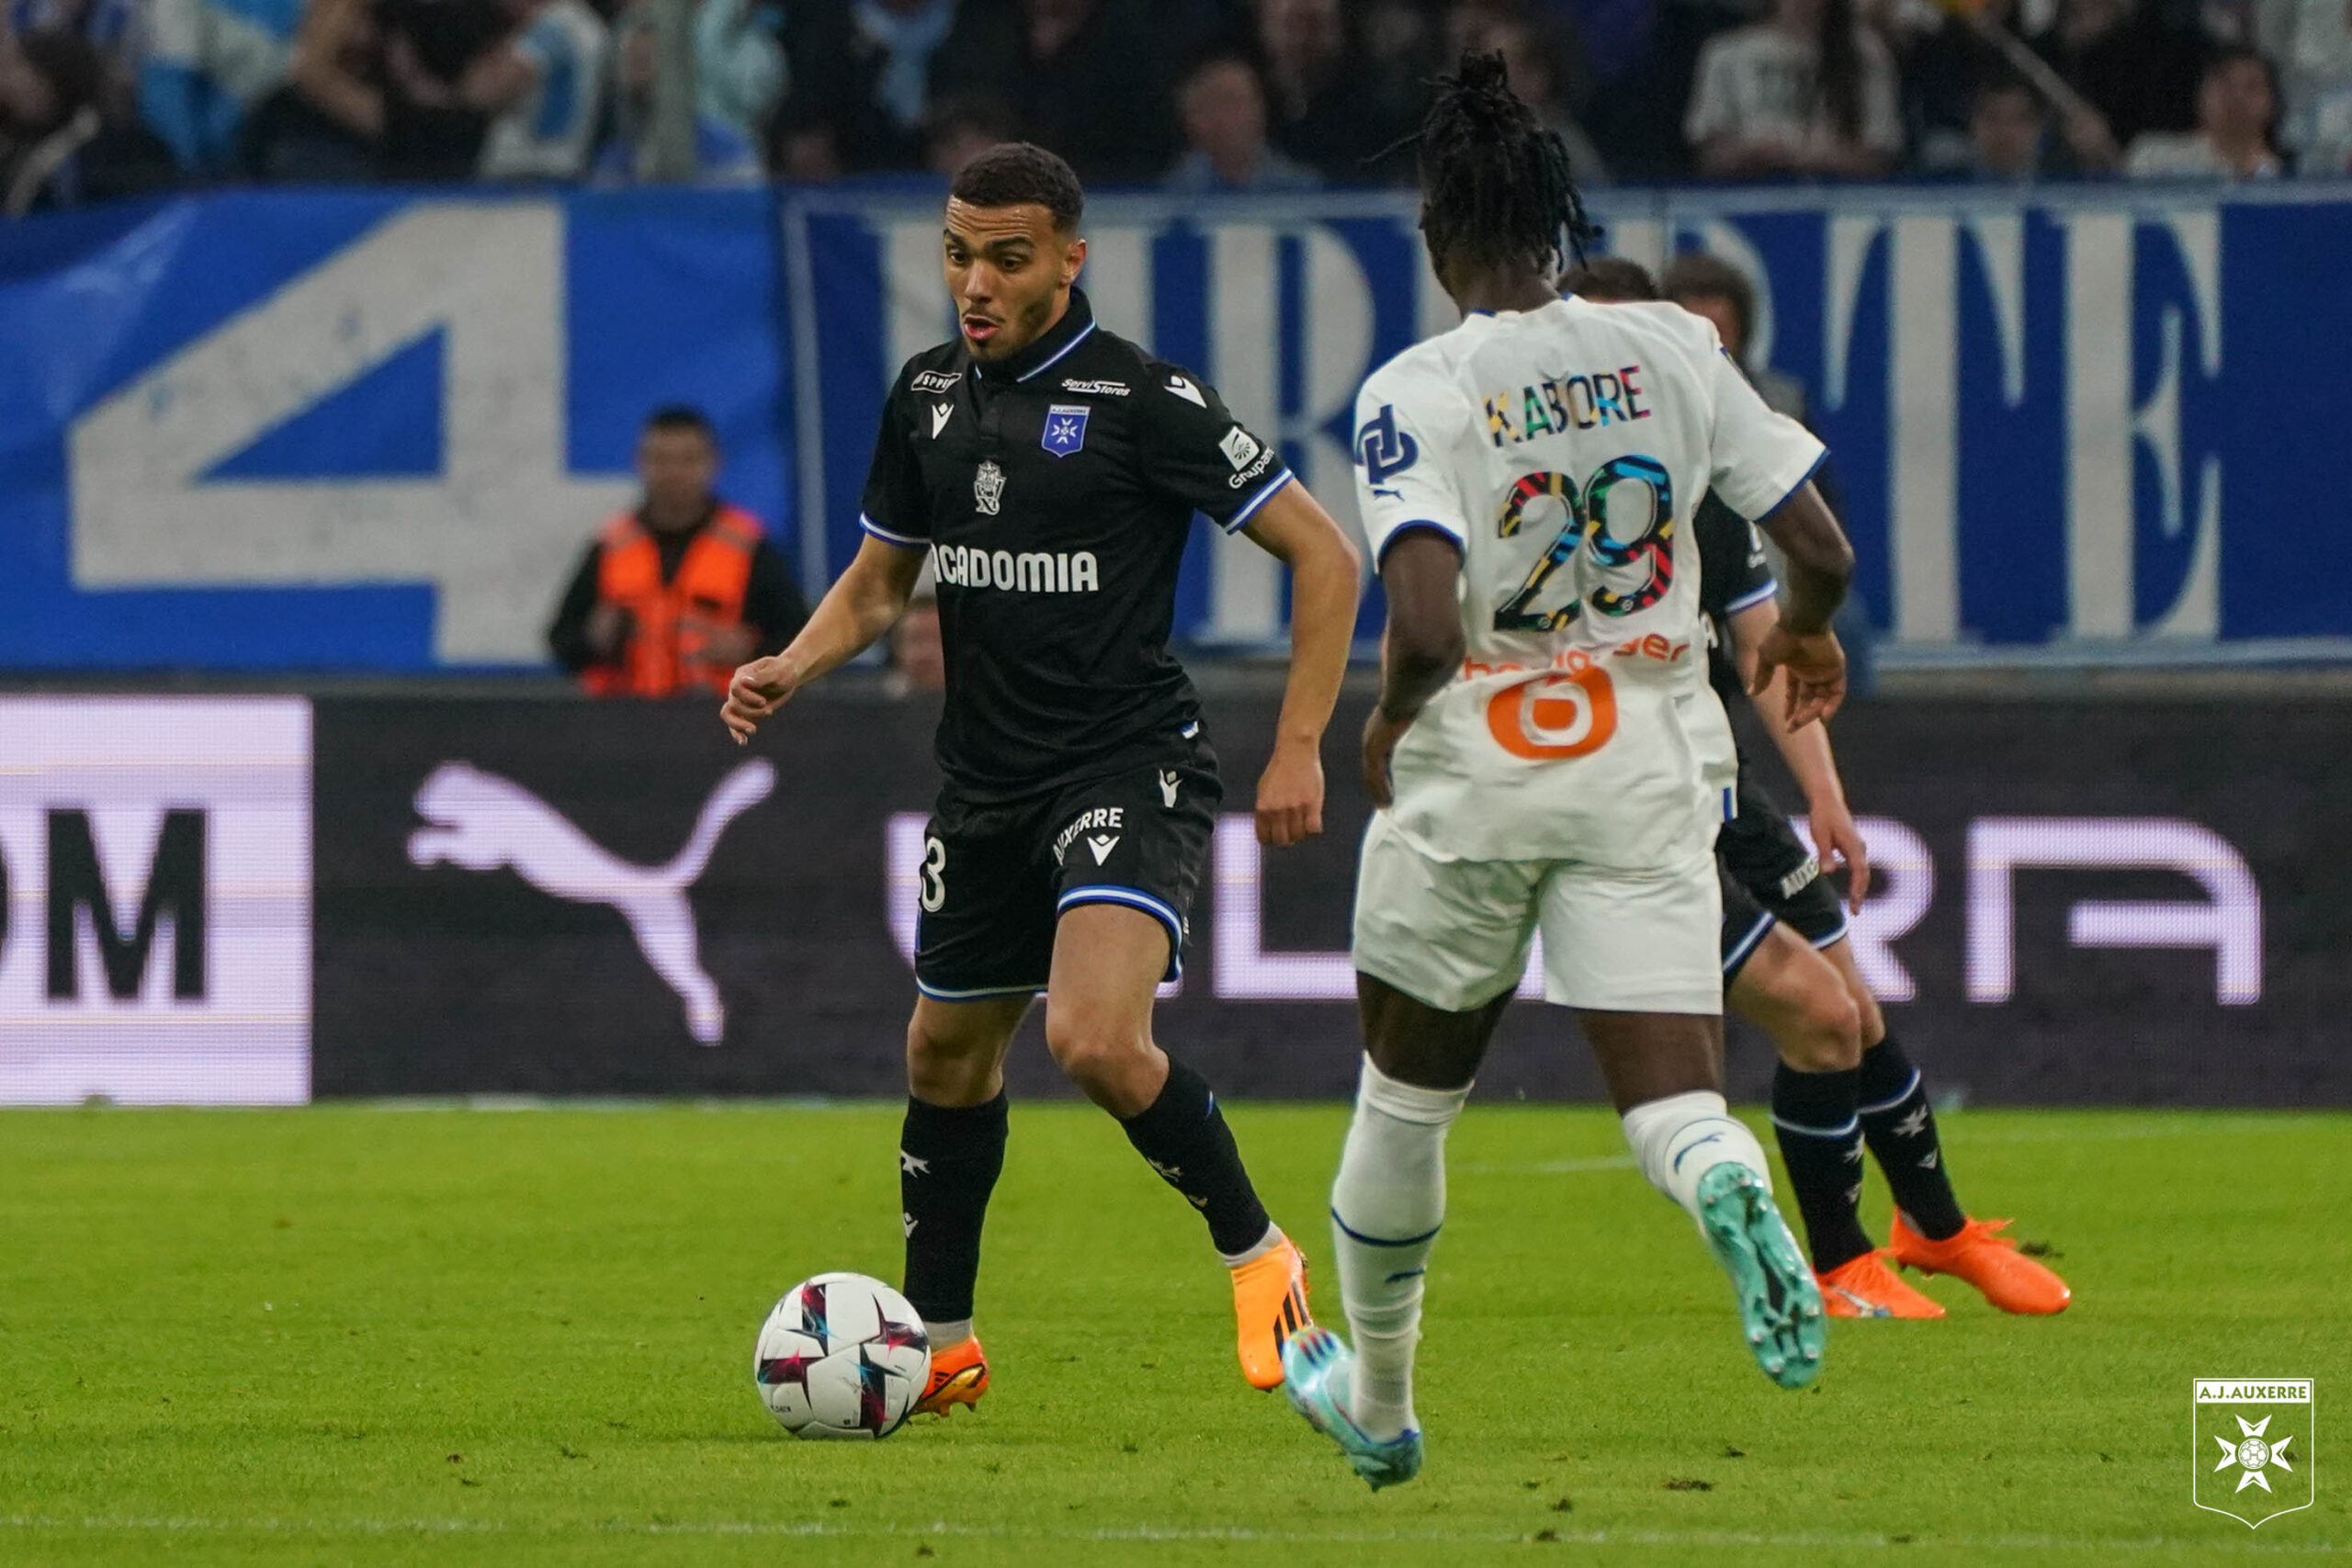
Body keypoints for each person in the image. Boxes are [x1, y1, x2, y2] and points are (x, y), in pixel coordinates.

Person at [1281, 51, 1853, 1492]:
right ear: (1556, 224)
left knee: (1406, 1102)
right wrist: (1819, 641)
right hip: (1652, 760)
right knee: (1672, 1100)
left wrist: (1384, 723)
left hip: (1482, 767)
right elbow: (1821, 549)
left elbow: (1418, 615)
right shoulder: (1671, 344)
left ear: (1434, 233)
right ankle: (1730, 1178)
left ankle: (1385, 1400)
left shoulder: (1421, 386)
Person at [720, 143, 1363, 1415]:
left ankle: (1261, 1253)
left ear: (1071, 258)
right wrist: (795, 660)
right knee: (945, 1053)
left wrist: (1299, 742)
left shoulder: (1145, 400)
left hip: (1128, 761)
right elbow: (881, 579)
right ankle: (942, 1342)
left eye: (1007, 257)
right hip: (988, 784)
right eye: (958, 252)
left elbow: (1326, 555)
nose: (975, 280)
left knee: (1094, 1037)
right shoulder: (924, 398)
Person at [548, 407, 808, 698]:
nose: (674, 473)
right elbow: (561, 640)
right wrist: (593, 638)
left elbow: (801, 644)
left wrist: (750, 649)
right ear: (639, 462)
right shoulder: (611, 546)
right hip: (623, 723)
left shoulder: (749, 547)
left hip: (723, 722)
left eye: (688, 460)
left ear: (713, 463)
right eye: (660, 459)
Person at [1684, 0, 1903, 178]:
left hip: (1841, 198)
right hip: (1749, 194)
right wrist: (1756, 152)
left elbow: (1879, 156)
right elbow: (1708, 156)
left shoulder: (1867, 55)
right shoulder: (1727, 54)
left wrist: (1816, 156)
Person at [1164, 51, 1322, 193]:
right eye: (1210, 104)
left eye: (1236, 102)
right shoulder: (1172, 192)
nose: (1223, 118)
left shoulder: (1300, 189)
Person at [2125, 45, 2284, 177]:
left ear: (2273, 101)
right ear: (2200, 95)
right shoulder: (2153, 158)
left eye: (2251, 86)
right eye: (2225, 84)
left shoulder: (2291, 173)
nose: (2237, 97)